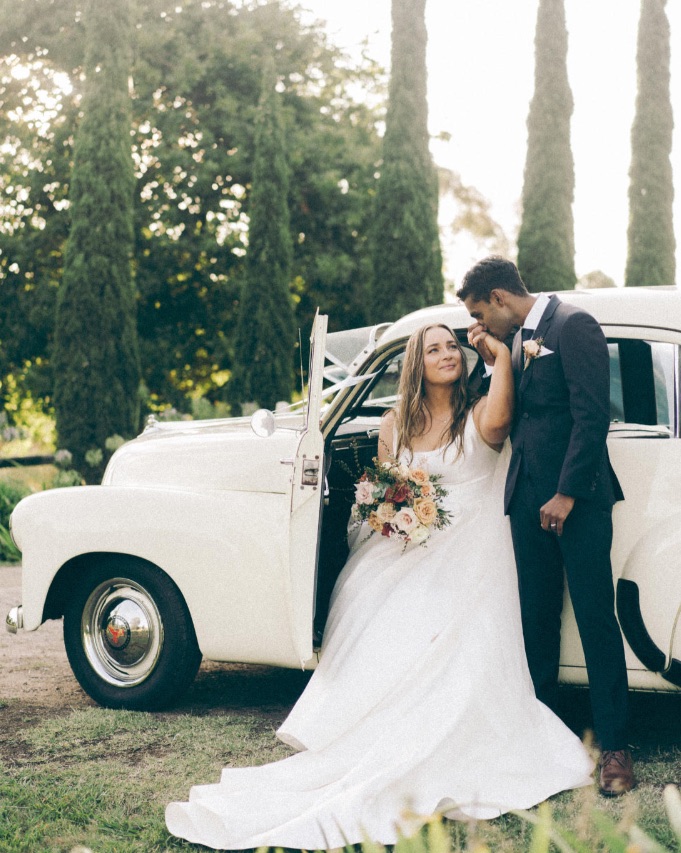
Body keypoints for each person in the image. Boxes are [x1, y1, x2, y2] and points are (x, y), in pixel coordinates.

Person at [166, 323, 594, 851]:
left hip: (476, 546)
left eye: (450, 347)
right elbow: (389, 488)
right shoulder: (394, 423)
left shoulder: (480, 409)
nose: (445, 355)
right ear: (416, 362)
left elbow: (502, 423)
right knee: (374, 601)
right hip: (416, 545)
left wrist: (500, 354)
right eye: (432, 349)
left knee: (450, 634)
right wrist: (394, 513)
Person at [458, 256, 634, 797]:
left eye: (479, 314)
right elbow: (484, 406)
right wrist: (488, 357)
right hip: (525, 500)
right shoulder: (509, 342)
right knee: (535, 620)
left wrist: (566, 494)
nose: (479, 324)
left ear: (500, 298)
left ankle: (616, 750)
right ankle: (540, 743)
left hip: (576, 502)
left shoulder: (573, 325)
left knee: (594, 618)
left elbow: (591, 416)